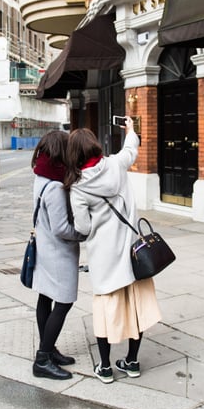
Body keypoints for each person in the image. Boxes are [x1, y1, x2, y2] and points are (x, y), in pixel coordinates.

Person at [64, 117, 162, 384]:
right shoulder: (116, 164)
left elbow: (83, 227)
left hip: (105, 259)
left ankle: (105, 367)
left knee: (106, 312)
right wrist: (130, 129)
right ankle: (131, 362)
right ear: (96, 147)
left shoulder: (78, 187)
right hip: (133, 254)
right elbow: (131, 149)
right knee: (136, 309)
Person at [29, 131, 86, 380]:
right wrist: (82, 234)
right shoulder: (54, 186)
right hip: (57, 253)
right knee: (63, 302)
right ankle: (42, 359)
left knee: (46, 297)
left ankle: (49, 349)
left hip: (45, 248)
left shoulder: (41, 176)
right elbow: (62, 228)